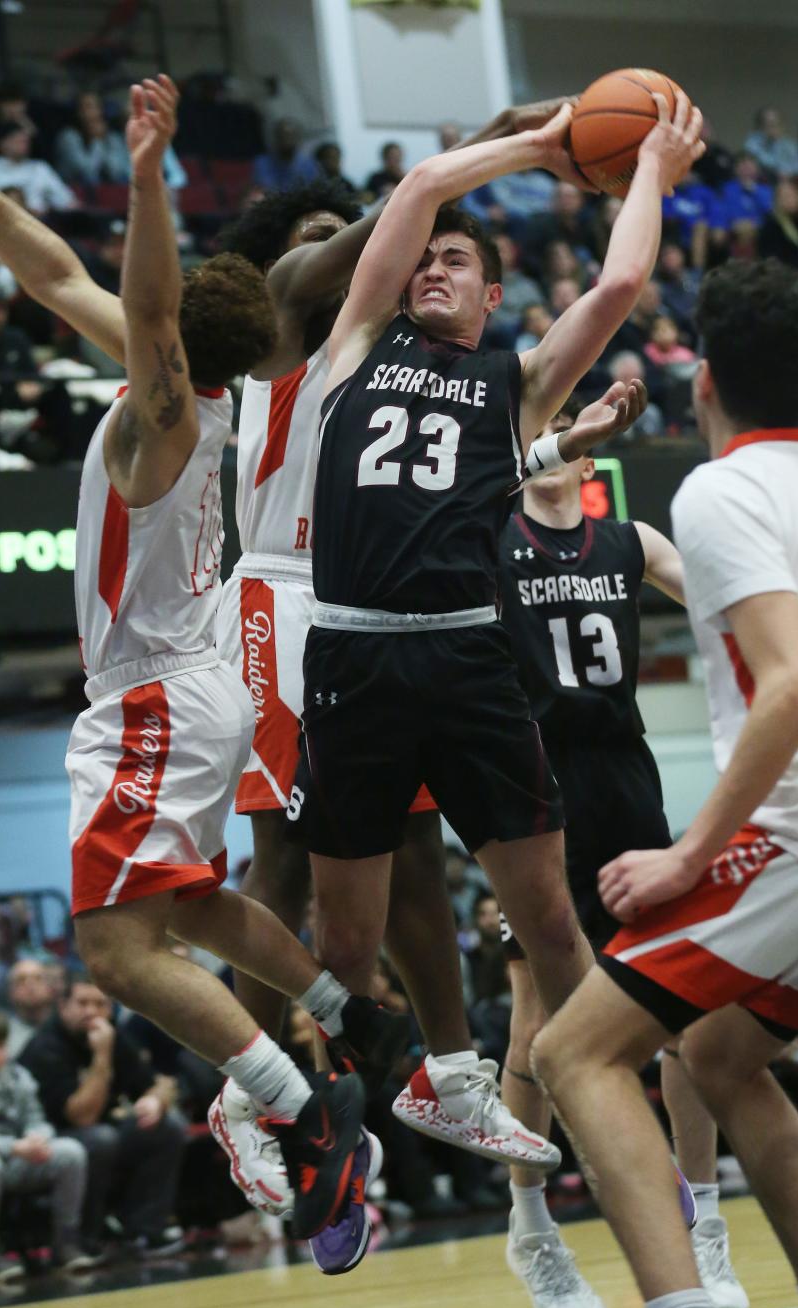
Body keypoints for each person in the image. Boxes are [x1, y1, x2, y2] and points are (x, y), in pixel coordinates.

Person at [1, 75, 408, 1270]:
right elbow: (50, 274)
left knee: (120, 954)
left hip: (155, 695)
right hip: (188, 684)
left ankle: (299, 1102)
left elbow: (135, 293)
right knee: (179, 906)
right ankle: (355, 1022)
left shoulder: (167, 413)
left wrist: (141, 176)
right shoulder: (190, 396)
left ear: (174, 335)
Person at [285, 97, 704, 1245]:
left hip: (473, 661)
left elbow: (616, 291)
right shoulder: (353, 347)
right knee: (345, 950)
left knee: (555, 930)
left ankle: (610, 1123)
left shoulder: (513, 385)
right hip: (356, 656)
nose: (432, 267)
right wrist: (548, 139)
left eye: (458, 261)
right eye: (423, 261)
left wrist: (647, 172)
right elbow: (419, 192)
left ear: (489, 293)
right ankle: (345, 1143)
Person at [531, 257, 798, 1308]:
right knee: (714, 1057)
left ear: (702, 377)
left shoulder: (720, 490)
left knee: (571, 1055)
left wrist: (685, 859)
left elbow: (797, 688)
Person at [209, 98, 599, 1228]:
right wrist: (487, 141)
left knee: (411, 856)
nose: (355, 256)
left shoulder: (403, 357)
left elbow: (424, 244)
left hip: (386, 623)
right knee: (285, 857)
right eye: (329, 240)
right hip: (290, 598)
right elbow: (401, 214)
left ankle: (451, 1068)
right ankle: (256, 1089)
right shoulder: (292, 321)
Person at [496, 401, 746, 1308]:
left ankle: (706, 1219)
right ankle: (530, 1225)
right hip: (530, 790)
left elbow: (726, 606)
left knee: (692, 1007)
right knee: (538, 1014)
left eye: (564, 421)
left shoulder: (631, 541)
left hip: (627, 780)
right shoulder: (488, 536)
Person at [18, 973, 186, 1257]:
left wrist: (155, 1101)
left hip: (100, 1131)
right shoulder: (46, 1048)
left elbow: (162, 1083)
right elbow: (81, 1117)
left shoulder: (112, 1035)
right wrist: (102, 1057)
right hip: (47, 1140)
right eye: (82, 1003)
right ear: (63, 1007)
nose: (92, 1012)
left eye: (100, 1004)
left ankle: (144, 1231)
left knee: (167, 1126)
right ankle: (86, 1237)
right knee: (100, 1139)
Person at [0, 1010, 95, 1275]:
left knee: (71, 1152)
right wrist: (14, 1147)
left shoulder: (18, 1077)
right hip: (7, 1155)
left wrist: (37, 1138)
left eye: (1, 1046)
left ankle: (65, 1243)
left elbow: (37, 1118)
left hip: (21, 1158)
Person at [0, 120, 76, 215]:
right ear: (3, 143)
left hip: (37, 223)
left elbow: (67, 201)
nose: (23, 145)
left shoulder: (40, 168)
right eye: (18, 141)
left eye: (25, 141)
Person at [55, 92, 127, 187]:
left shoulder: (112, 137)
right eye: (86, 107)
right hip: (75, 192)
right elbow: (87, 174)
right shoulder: (68, 137)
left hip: (108, 193)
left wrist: (102, 141)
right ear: (78, 112)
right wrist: (96, 141)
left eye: (95, 107)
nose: (91, 113)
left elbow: (117, 173)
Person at [4, 957, 56, 1057]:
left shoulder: (67, 1027)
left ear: (50, 988)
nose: (30, 985)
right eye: (21, 980)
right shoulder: (3, 1035)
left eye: (38, 978)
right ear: (10, 992)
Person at [253, 117, 320, 194]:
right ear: (275, 137)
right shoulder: (262, 163)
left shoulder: (309, 165)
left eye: (290, 135)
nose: (286, 139)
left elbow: (314, 192)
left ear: (298, 137)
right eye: (282, 135)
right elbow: (263, 190)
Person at [744, 106, 798, 180]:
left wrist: (788, 173)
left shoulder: (790, 145)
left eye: (776, 124)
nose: (772, 128)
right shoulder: (752, 143)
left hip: (788, 182)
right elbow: (756, 165)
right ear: (760, 126)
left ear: (782, 125)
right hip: (762, 181)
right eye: (768, 124)